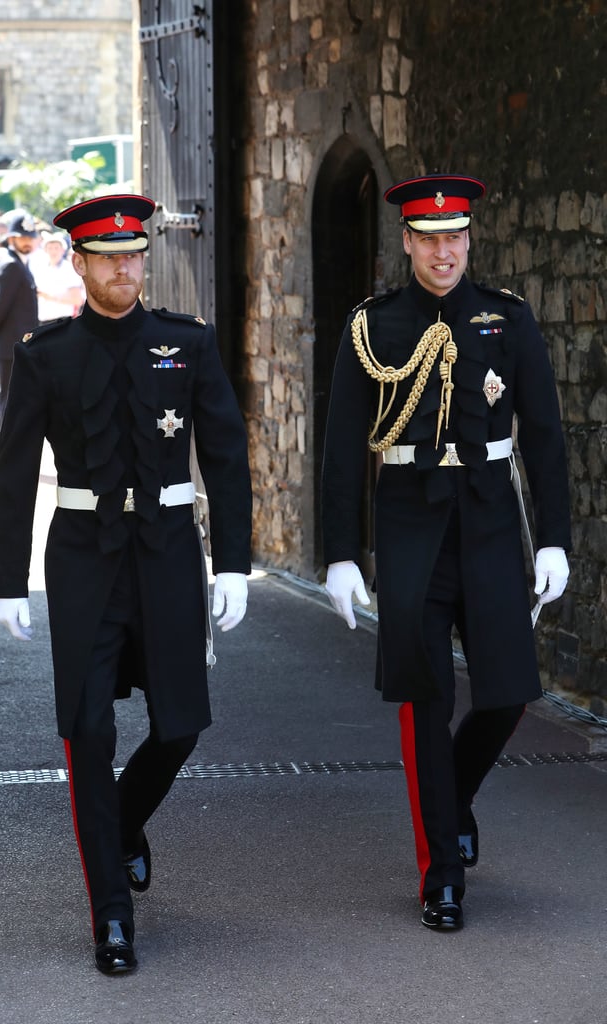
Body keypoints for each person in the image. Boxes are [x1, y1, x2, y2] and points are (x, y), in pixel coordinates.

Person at [0, 194, 252, 975]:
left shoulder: (187, 344)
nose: (126, 269)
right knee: (89, 730)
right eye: (110, 258)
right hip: (81, 558)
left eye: (135, 255)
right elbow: (12, 472)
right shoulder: (46, 353)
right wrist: (6, 581)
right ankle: (111, 914)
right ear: (80, 262)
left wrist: (234, 561)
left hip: (169, 550)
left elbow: (227, 458)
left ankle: (124, 821)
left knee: (180, 725)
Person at [321, 174, 571, 931]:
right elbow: (339, 449)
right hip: (410, 529)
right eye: (428, 239)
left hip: (492, 523)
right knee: (426, 701)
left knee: (508, 692)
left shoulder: (508, 320)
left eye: (454, 237)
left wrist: (556, 538)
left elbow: (548, 437)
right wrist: (340, 553)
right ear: (406, 242)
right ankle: (442, 873)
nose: (443, 252)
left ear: (469, 240)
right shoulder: (374, 326)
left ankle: (449, 800)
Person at [0, 210, 39, 440]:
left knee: (14, 397)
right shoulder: (11, 265)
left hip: (17, 343)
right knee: (9, 397)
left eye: (29, 237)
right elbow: (0, 305)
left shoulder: (18, 263)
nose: (27, 241)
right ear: (12, 238)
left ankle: (8, 449)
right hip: (10, 345)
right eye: (22, 237)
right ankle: (5, 450)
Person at [31, 230, 84, 322]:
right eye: (50, 248)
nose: (53, 251)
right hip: (42, 320)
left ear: (63, 250)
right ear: (45, 250)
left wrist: (50, 297)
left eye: (56, 248)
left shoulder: (69, 269)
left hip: (63, 320)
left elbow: (77, 300)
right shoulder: (40, 269)